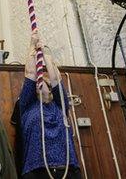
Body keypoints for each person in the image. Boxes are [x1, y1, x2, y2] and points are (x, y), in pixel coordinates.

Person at [14, 33, 80, 179]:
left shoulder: (60, 106)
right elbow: (31, 73)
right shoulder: (27, 107)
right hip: (36, 171)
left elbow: (56, 78)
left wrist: (45, 54)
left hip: (67, 170)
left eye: (44, 80)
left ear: (51, 89)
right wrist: (32, 46)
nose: (40, 81)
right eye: (37, 82)